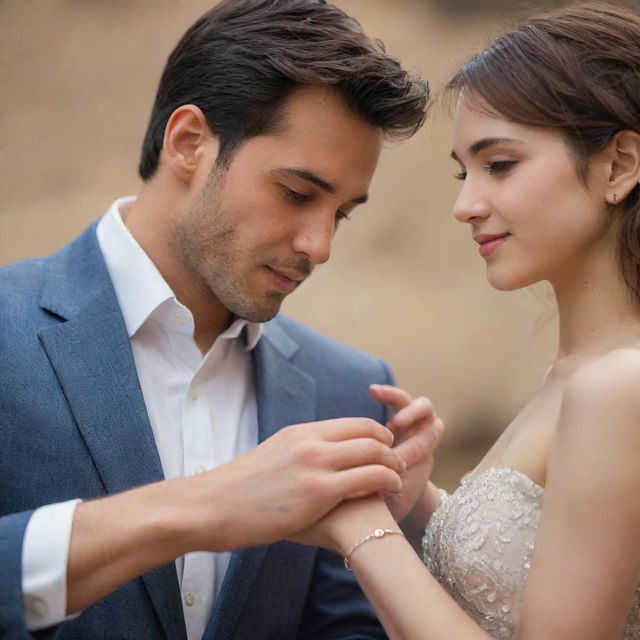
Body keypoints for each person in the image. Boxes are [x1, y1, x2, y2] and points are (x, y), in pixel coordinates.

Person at [0, 1, 432, 639]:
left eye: (341, 213)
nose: (320, 246)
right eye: (296, 193)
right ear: (189, 143)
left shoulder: (350, 392)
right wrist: (207, 506)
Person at [290, 2, 640, 639]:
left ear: (619, 166)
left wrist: (357, 527)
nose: (465, 205)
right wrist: (418, 505)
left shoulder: (618, 386)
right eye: (463, 172)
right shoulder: (575, 375)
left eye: (499, 164)